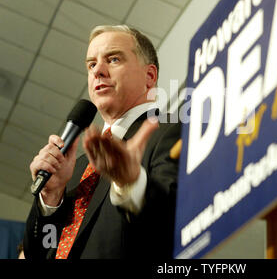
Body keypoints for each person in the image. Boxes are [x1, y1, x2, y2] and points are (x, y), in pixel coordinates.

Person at [23, 25, 181, 259]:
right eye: (91, 64)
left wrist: (131, 184)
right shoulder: (74, 169)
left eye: (113, 59)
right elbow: (36, 253)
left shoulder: (171, 131)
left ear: (150, 76)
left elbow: (174, 222)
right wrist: (51, 197)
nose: (98, 71)